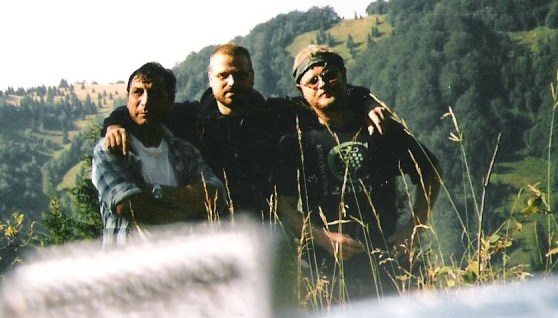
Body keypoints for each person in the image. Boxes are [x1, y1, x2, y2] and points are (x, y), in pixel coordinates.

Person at [100, 43, 385, 219]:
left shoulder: (275, 114)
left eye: (239, 74)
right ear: (210, 79)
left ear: (252, 76)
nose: (232, 82)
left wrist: (365, 100)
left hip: (264, 228)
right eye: (223, 75)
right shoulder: (189, 118)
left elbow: (322, 97)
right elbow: (141, 109)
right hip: (208, 231)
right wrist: (113, 124)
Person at [275, 45, 443, 301]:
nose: (322, 84)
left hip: (390, 264)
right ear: (301, 89)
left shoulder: (379, 126)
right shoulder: (296, 140)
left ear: (344, 76)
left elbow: (430, 172)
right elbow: (284, 206)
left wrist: (413, 229)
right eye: (313, 81)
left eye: (330, 75)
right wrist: (323, 238)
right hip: (327, 272)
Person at [91, 62, 226, 245]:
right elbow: (127, 205)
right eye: (138, 92)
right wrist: (187, 213)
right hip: (128, 260)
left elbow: (214, 195)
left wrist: (155, 191)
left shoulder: (184, 151)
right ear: (128, 99)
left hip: (179, 259)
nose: (145, 101)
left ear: (169, 103)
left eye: (154, 94)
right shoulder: (111, 149)